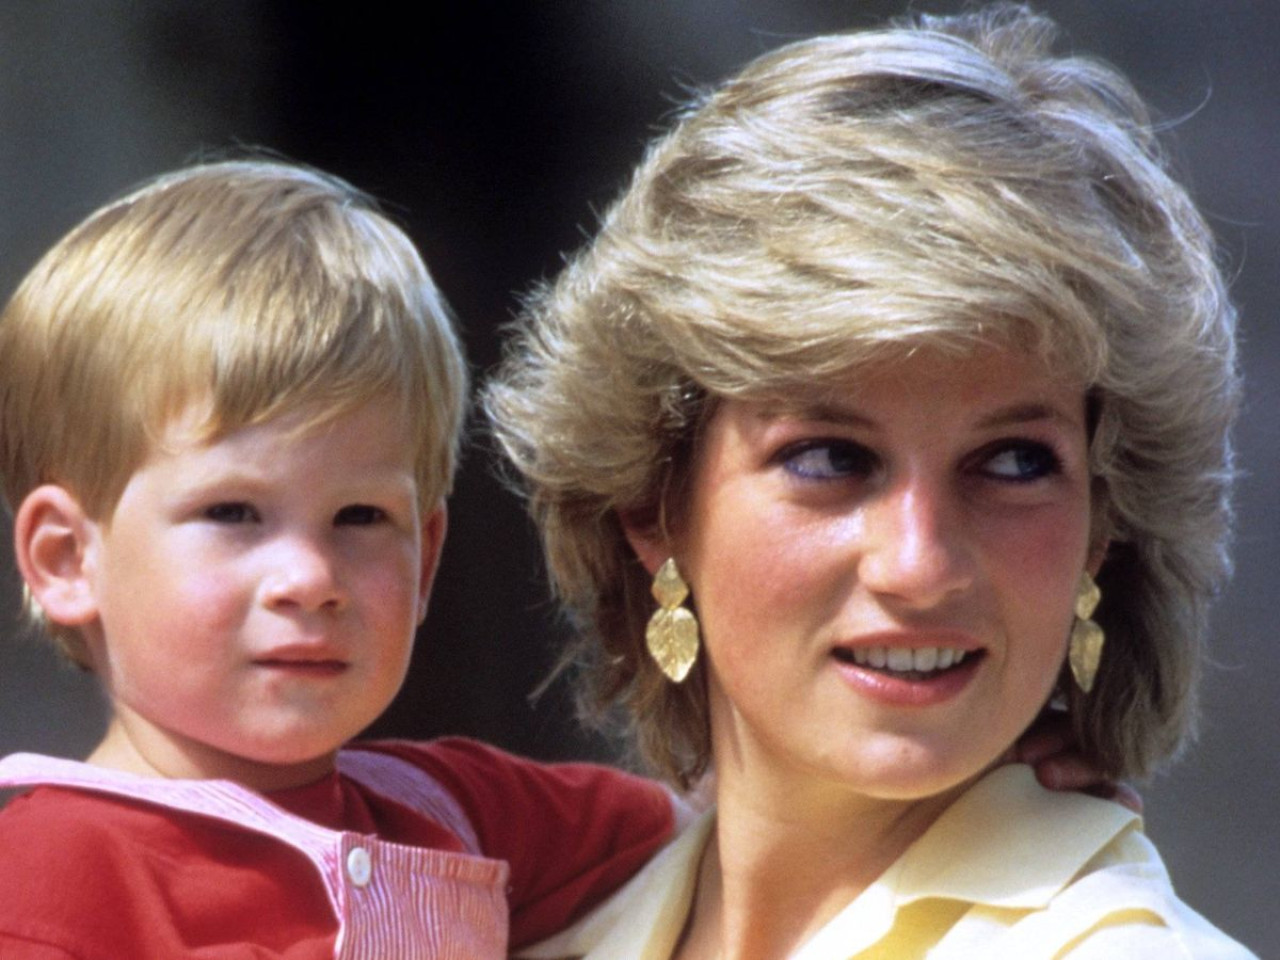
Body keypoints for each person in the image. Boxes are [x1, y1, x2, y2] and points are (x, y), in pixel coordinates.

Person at [487, 5, 1256, 958]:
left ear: (1103, 529)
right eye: (831, 459)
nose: (920, 565)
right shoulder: (518, 936)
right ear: (653, 509)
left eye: (1015, 462)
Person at [0, 160, 682, 959]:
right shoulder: (39, 888)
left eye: (360, 516)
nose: (313, 579)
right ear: (66, 558)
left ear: (426, 561)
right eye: (233, 513)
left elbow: (738, 832)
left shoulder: (462, 813)